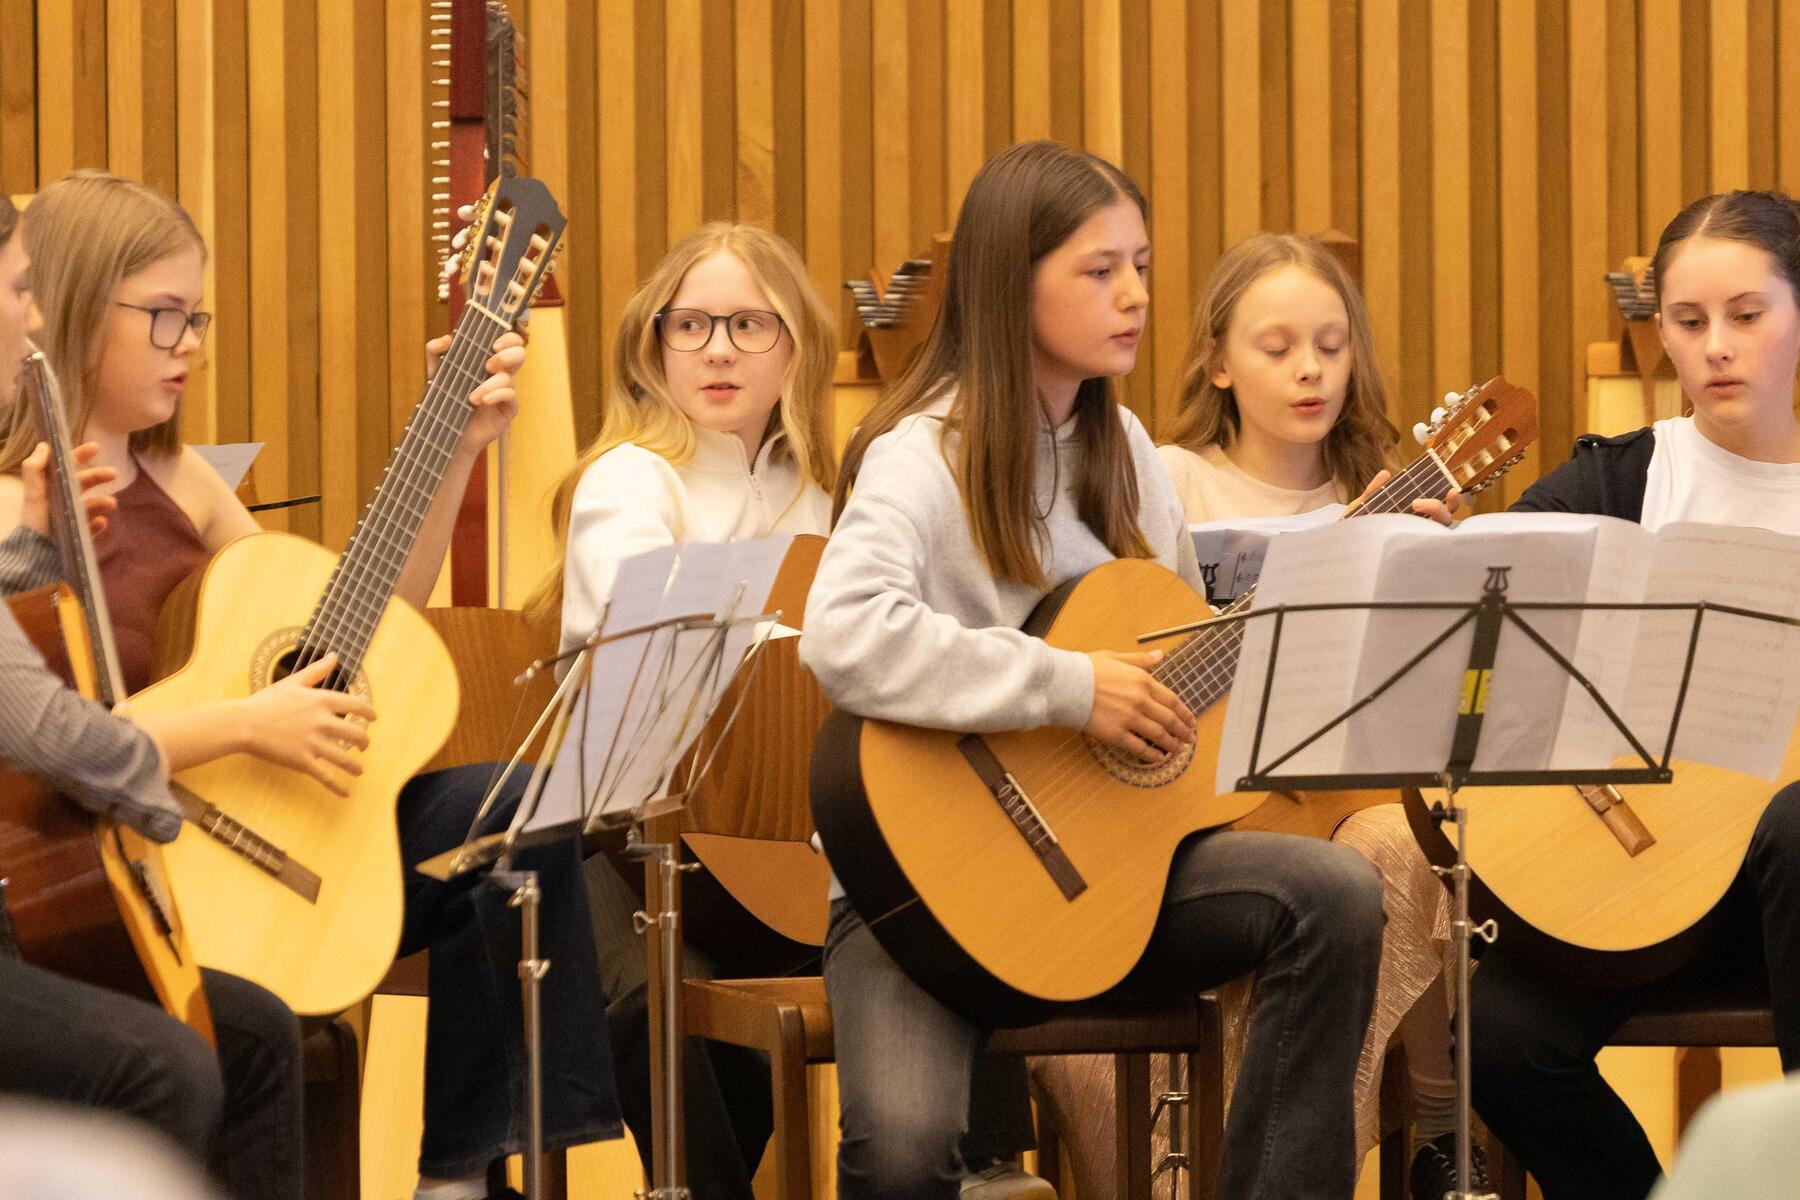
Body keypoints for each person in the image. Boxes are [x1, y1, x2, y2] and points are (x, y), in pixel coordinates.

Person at [0, 170, 622, 1200]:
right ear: (67, 305)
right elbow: (48, 744)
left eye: (195, 315)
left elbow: (351, 631)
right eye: (161, 316)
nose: (188, 341)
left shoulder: (188, 481)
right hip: (141, 866)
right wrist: (246, 722)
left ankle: (459, 1174)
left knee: (509, 814)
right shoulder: (15, 509)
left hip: (276, 828)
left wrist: (455, 448)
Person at [800, 139, 1386, 1200]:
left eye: (1142, 265)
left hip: (1107, 881)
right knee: (899, 1148)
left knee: (1336, 893)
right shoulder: (923, 454)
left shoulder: (1130, 467)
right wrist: (1071, 688)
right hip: (918, 892)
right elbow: (841, 634)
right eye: (1099, 268)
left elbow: (1178, 675)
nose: (1134, 295)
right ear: (1007, 280)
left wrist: (1356, 579)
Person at [1469, 189, 1800, 1200]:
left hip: (1785, 886)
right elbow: (1480, 638)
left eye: (1748, 316)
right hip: (1649, 875)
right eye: (1689, 323)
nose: (1718, 349)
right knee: (1497, 1038)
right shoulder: (1617, 482)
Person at [0, 189, 304, 1200]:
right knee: (161, 1063)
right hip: (67, 867)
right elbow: (45, 726)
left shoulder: (168, 484)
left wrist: (35, 549)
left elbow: (319, 628)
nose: (33, 319)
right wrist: (213, 747)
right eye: (17, 291)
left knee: (250, 1030)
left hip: (68, 873)